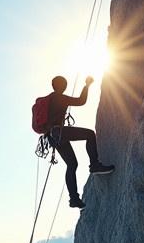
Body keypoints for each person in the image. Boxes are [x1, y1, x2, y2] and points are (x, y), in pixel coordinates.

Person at [46, 75, 114, 208]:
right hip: (59, 132)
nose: (65, 87)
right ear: (61, 86)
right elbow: (81, 101)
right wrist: (87, 85)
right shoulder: (59, 97)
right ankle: (94, 165)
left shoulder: (49, 100)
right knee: (89, 134)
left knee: (72, 164)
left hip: (52, 136)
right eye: (64, 84)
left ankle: (74, 199)